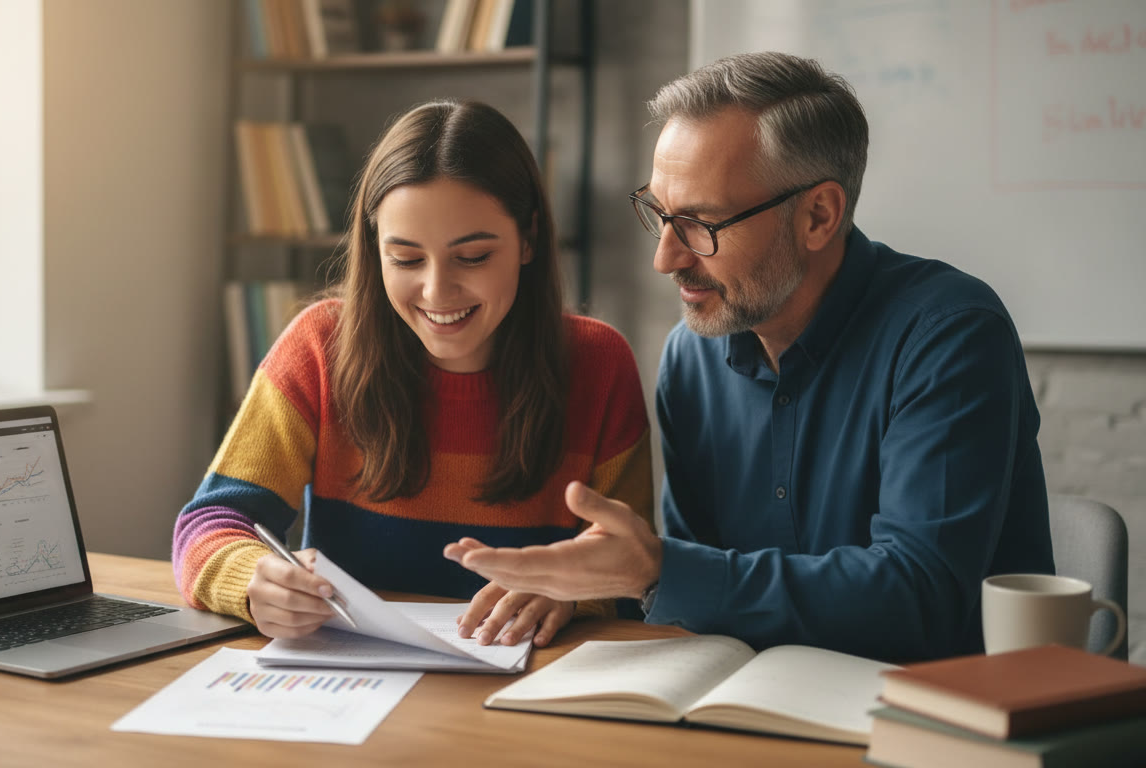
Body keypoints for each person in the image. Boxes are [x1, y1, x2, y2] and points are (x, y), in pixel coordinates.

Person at [445, 52, 1054, 662]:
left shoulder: (949, 335)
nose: (666, 258)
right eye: (659, 213)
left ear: (819, 215)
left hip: (934, 720)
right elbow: (701, 590)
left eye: (701, 223)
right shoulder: (693, 356)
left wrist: (658, 571)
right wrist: (582, 589)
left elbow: (920, 598)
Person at [173, 99, 653, 649]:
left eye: (472, 257)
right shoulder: (318, 346)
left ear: (528, 240)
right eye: (404, 259)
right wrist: (254, 583)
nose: (436, 292)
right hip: (350, 689)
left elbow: (634, 567)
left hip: (529, 689)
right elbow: (208, 526)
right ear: (373, 248)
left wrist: (574, 592)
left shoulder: (599, 364)